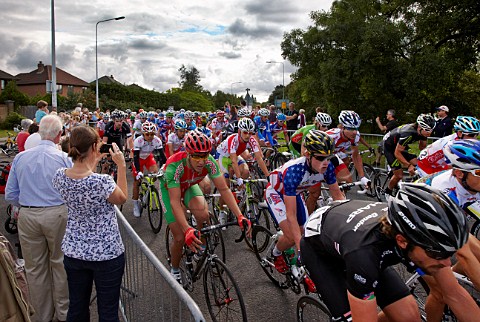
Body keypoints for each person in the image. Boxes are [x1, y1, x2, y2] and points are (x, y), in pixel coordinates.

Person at [301, 183, 478, 322]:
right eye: (438, 254)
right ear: (402, 241)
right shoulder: (365, 254)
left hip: (352, 234)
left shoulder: (420, 240)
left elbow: (455, 295)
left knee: (409, 317)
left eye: (449, 254)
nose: (448, 263)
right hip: (321, 251)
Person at [52, 126, 127, 322]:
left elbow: (81, 177)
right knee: (108, 311)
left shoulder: (60, 175)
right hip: (106, 253)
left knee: (77, 307)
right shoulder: (101, 182)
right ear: (94, 147)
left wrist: (92, 161)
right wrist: (121, 166)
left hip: (74, 250)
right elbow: (121, 198)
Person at [160, 131, 251, 283]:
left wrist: (239, 215)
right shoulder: (175, 166)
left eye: (204, 155)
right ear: (188, 154)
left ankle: (198, 242)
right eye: (196, 156)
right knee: (180, 236)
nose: (201, 161)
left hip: (189, 186)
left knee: (203, 215)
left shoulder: (209, 162)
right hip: (170, 192)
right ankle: (174, 268)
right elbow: (175, 201)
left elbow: (224, 189)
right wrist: (186, 228)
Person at [5, 115, 71, 322]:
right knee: (60, 264)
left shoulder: (21, 157)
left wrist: (25, 205)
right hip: (57, 212)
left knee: (35, 268)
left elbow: (10, 194)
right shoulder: (63, 158)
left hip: (29, 213)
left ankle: (42, 316)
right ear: (59, 135)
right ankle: (64, 313)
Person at [417, 139, 480, 321]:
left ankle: (453, 273)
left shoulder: (472, 181)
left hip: (444, 220)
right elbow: (462, 251)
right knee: (441, 293)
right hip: (416, 230)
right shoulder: (443, 191)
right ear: (460, 173)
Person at [266, 130, 344, 276]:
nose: (325, 162)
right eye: (321, 158)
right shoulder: (294, 171)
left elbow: (338, 197)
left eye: (329, 157)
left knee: (306, 231)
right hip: (276, 193)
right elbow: (291, 214)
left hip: (295, 193)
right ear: (308, 155)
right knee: (291, 236)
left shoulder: (327, 167)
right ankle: (276, 253)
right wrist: (300, 249)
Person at [382, 114, 435, 195]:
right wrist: (408, 165)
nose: (429, 133)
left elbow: (422, 148)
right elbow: (397, 153)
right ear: (419, 127)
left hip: (399, 146)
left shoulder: (423, 132)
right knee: (399, 175)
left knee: (420, 165)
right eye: (427, 130)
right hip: (389, 147)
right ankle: (387, 192)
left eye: (431, 130)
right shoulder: (408, 133)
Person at [131, 121, 166, 217]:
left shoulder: (157, 140)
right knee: (136, 181)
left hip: (148, 158)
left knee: (156, 173)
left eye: (152, 134)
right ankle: (135, 204)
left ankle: (149, 189)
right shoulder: (138, 140)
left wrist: (165, 167)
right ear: (143, 134)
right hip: (138, 159)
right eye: (147, 134)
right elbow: (135, 157)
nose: (150, 136)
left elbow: (162, 156)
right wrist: (138, 171)